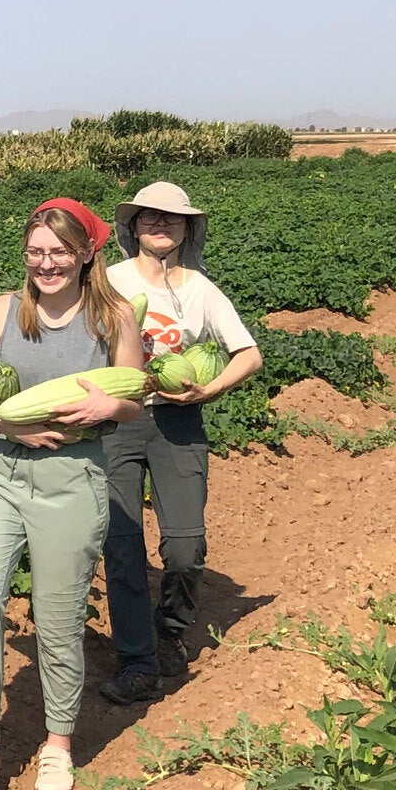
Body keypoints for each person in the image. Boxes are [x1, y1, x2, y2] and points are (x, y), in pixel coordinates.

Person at [0, 199, 145, 790]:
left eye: (59, 252)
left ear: (85, 255)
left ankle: (57, 744)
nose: (46, 263)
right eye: (36, 252)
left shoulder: (116, 318)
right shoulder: (3, 312)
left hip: (73, 475)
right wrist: (5, 425)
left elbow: (134, 396)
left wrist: (111, 407)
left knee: (56, 615)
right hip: (0, 467)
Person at [98, 182, 263, 705]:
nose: (161, 226)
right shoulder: (108, 281)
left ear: (187, 229)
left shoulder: (200, 289)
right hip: (117, 424)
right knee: (121, 549)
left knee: (185, 547)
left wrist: (207, 390)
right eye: (151, 218)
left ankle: (170, 627)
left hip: (179, 423)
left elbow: (248, 354)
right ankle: (137, 659)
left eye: (173, 219)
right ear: (134, 227)